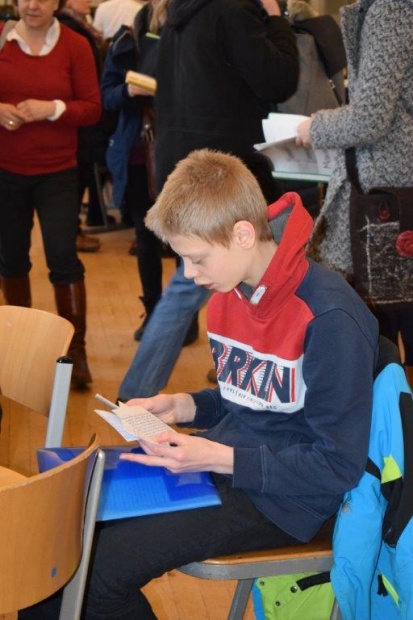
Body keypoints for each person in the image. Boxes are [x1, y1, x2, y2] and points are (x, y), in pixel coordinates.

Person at [19, 149, 379, 620]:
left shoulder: (329, 318)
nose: (190, 274)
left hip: (287, 500)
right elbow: (252, 398)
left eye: (196, 259)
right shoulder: (231, 287)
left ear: (243, 235)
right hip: (226, 467)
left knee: (91, 576)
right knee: (51, 540)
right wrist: (184, 406)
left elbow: (337, 466)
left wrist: (216, 456)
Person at [118, 0, 299, 400]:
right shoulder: (232, 11)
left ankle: (143, 393)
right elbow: (279, 80)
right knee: (242, 276)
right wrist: (275, 18)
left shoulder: (178, 15)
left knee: (206, 281)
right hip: (227, 173)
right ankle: (140, 395)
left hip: (186, 164)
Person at [296, 0, 413, 386]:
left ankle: (391, 421)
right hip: (396, 188)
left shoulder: (391, 9)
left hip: (387, 195)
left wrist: (315, 128)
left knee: (378, 331)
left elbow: (371, 117)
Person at [0, 0, 101, 388]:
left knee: (64, 259)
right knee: (11, 260)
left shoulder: (75, 45)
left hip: (58, 172)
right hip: (6, 172)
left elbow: (92, 108)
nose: (32, 5)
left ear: (57, 3)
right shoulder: (2, 38)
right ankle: (18, 348)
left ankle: (76, 354)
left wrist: (52, 108)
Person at [100, 0, 167, 341]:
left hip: (178, 151)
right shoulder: (126, 40)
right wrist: (129, 90)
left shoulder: (189, 37)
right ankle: (153, 311)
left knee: (187, 240)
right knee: (146, 236)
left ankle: (182, 319)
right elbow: (107, 96)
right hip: (139, 155)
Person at [57, 0, 107, 253]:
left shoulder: (81, 27)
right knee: (75, 181)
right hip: (77, 124)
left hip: (84, 118)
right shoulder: (72, 31)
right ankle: (71, 234)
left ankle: (72, 232)